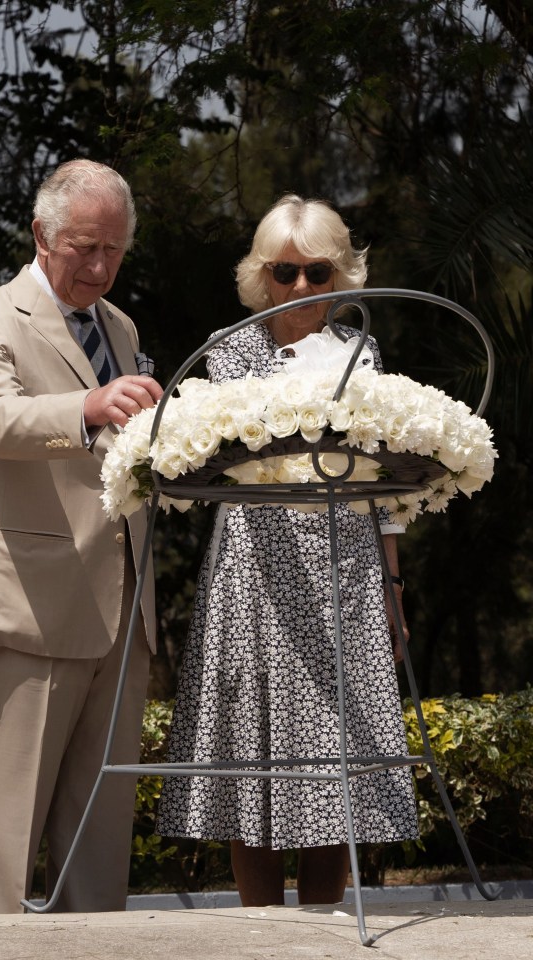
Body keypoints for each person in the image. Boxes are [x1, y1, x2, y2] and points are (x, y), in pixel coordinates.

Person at [156, 194, 419, 906]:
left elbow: (384, 490)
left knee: (338, 761)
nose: (300, 287)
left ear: (342, 276)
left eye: (316, 272)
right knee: (255, 755)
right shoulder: (229, 349)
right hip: (257, 572)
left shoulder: (364, 351)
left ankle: (328, 926)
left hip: (351, 573)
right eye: (284, 272)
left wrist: (393, 592)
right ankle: (260, 935)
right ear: (259, 276)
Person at [0, 159, 164, 913]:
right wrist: (91, 404)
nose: (101, 267)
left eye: (114, 249)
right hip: (27, 613)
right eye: (84, 248)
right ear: (41, 236)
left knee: (99, 845)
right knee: (7, 843)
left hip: (122, 614)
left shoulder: (122, 327)